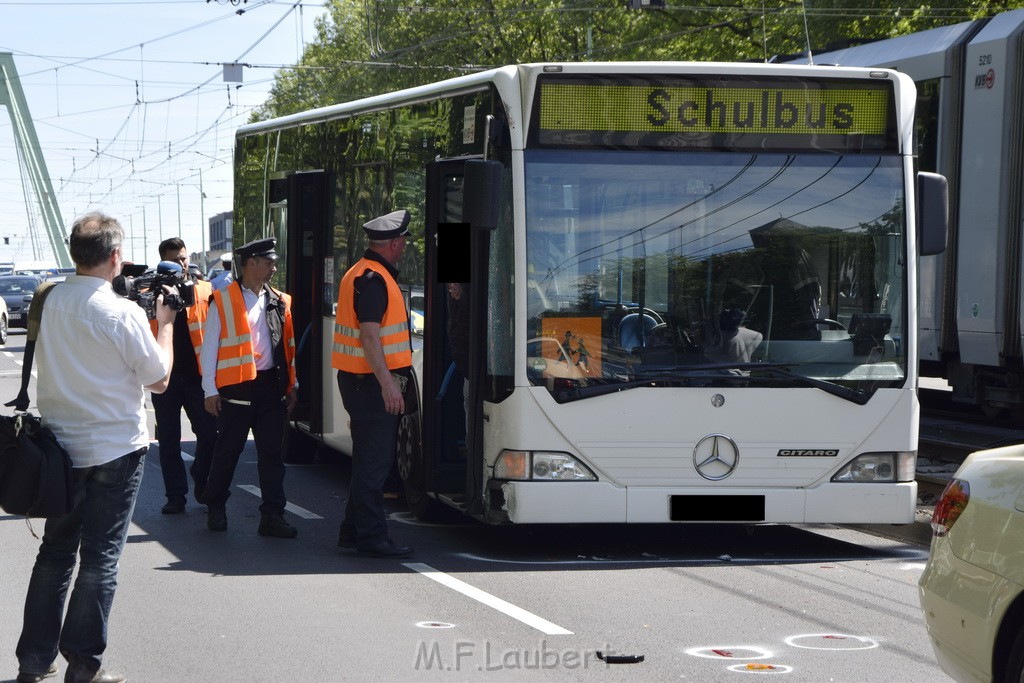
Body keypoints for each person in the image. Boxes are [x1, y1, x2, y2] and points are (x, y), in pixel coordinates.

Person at [15, 212, 175, 683]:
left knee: (54, 554)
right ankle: (83, 665)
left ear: (74, 254)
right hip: (114, 450)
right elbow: (160, 379)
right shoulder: (120, 312)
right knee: (100, 559)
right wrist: (162, 324)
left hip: (59, 449)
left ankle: (33, 662)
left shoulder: (48, 301)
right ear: (115, 257)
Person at [199, 237, 298, 538]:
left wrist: (293, 384)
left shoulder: (280, 300)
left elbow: (288, 347)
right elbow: (210, 347)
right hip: (237, 389)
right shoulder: (224, 299)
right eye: (269, 262)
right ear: (251, 263)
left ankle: (272, 516)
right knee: (228, 451)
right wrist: (209, 390)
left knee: (271, 454)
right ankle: (215, 506)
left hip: (271, 387)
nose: (274, 267)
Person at [332, 210, 414, 559]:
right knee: (374, 464)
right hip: (369, 384)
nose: (405, 247)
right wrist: (388, 385)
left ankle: (352, 533)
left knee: (368, 459)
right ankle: (372, 537)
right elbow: (369, 335)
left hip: (360, 382)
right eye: (404, 242)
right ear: (395, 243)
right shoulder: (374, 279)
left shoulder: (361, 273)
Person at [150, 237, 218, 514]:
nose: (181, 263)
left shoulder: (204, 290)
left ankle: (202, 477)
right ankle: (175, 496)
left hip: (198, 377)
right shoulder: (152, 293)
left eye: (184, 258)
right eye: (175, 259)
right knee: (168, 440)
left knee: (210, 435)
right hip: (164, 378)